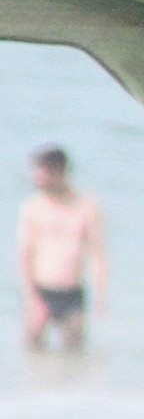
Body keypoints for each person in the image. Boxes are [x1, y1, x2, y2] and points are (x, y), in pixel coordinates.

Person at [17, 145, 107, 352]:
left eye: (43, 172)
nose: (37, 177)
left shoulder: (86, 206)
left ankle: (72, 384)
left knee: (75, 352)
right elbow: (25, 255)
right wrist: (32, 297)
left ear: (59, 171)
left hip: (73, 292)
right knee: (33, 350)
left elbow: (98, 253)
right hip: (42, 290)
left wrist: (101, 295)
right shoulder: (33, 207)